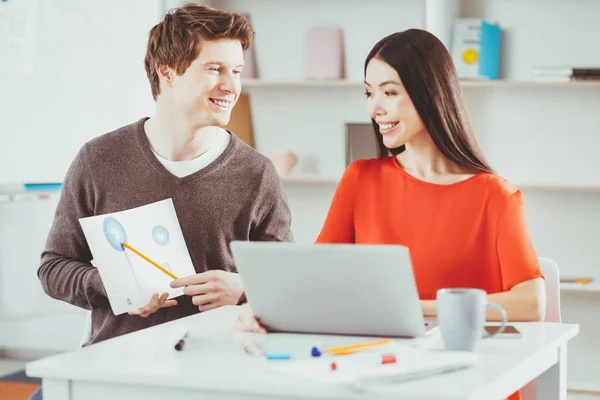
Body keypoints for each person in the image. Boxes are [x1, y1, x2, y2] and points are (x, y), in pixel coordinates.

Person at [237, 29, 545, 332]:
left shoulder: (496, 195)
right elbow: (316, 274)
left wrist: (414, 308)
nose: (375, 108)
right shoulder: (360, 179)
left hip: (468, 368)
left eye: (390, 92)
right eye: (370, 92)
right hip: (382, 360)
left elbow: (532, 303)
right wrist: (260, 305)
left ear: (430, 93)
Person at [36, 3, 292, 349]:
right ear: (167, 72)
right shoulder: (98, 160)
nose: (232, 86)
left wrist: (243, 288)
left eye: (237, 71)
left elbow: (284, 286)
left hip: (218, 367)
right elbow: (54, 268)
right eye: (215, 69)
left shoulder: (258, 174)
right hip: (116, 366)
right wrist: (112, 284)